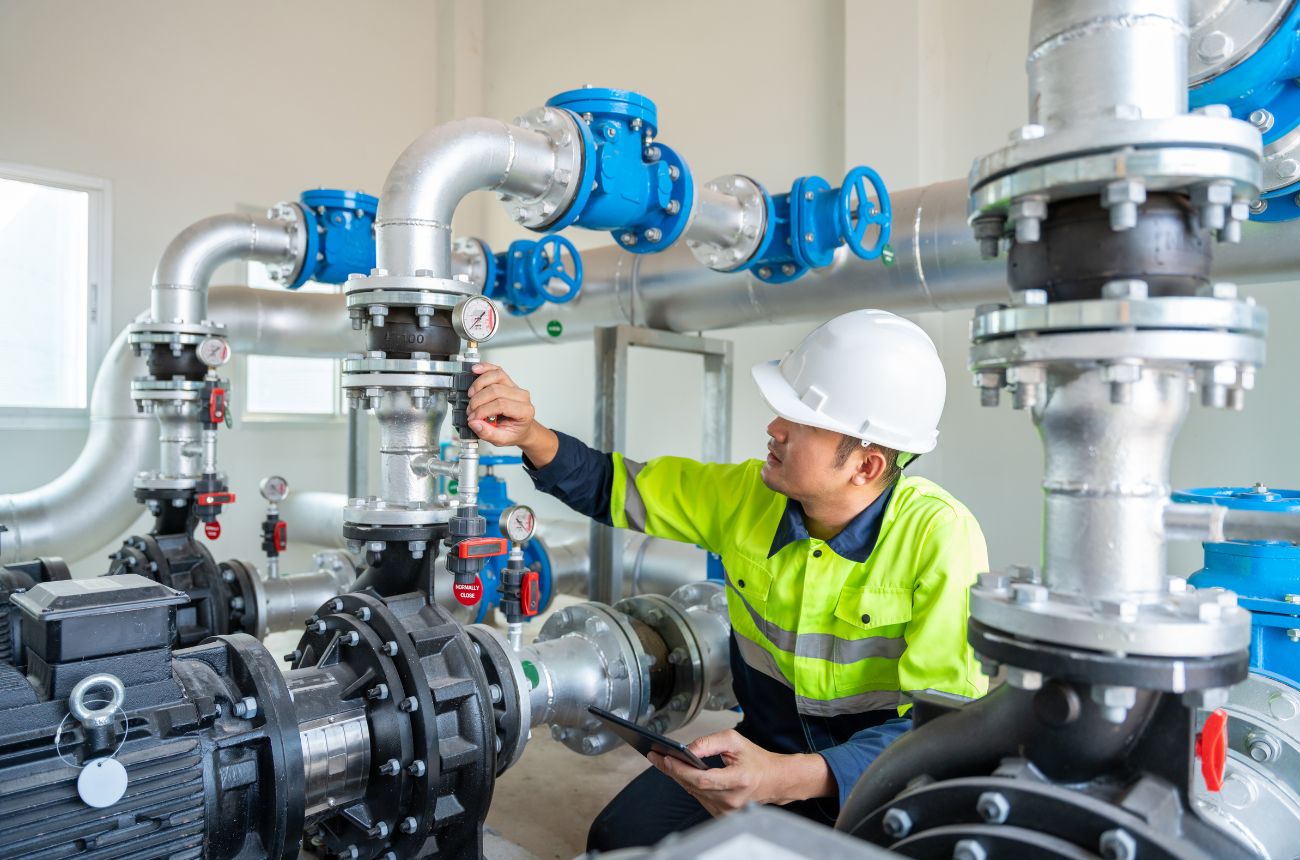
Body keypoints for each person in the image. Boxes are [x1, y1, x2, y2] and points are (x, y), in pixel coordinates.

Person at [464, 309, 989, 851]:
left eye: (801, 421)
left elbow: (938, 729)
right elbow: (613, 485)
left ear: (867, 466)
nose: (773, 428)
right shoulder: (747, 496)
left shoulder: (940, 539)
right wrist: (530, 434)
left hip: (874, 777)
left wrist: (787, 779)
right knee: (618, 839)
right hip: (764, 744)